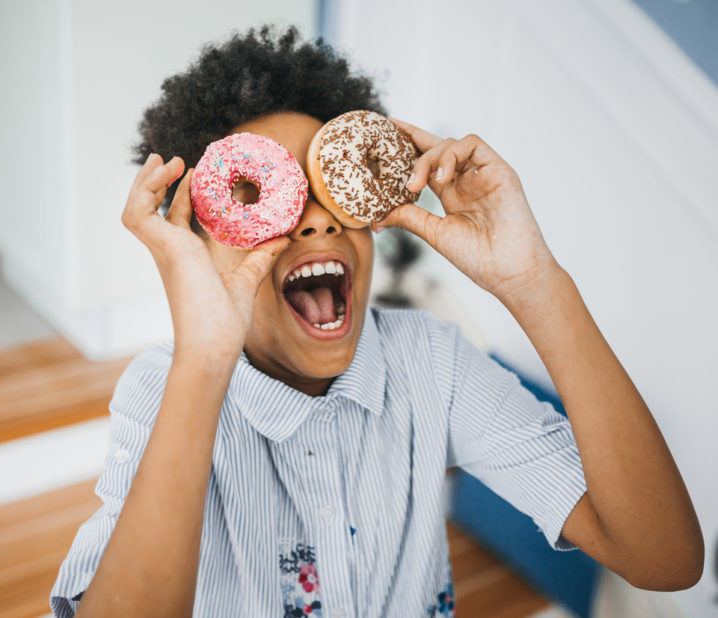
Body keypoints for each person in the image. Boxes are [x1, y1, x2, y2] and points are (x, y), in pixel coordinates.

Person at [50, 26, 703, 617]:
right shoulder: (162, 392)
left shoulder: (430, 362)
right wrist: (203, 359)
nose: (316, 219)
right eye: (265, 198)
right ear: (197, 240)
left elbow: (665, 558)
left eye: (329, 187)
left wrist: (535, 285)